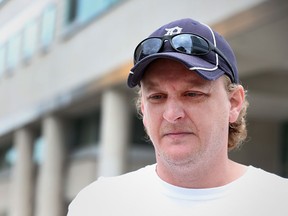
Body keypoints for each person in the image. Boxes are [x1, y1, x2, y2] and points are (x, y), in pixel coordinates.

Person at [67, 18, 288, 216]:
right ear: (143, 109)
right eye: (157, 97)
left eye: (192, 94)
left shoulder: (278, 203)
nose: (172, 115)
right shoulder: (99, 205)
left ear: (234, 103)